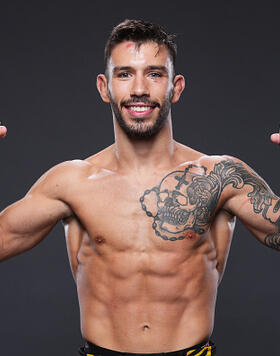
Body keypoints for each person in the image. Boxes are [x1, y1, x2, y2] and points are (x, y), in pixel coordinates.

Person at [0, 19, 279, 356]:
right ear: (104, 87)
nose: (139, 89)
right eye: (124, 74)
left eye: (155, 73)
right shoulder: (71, 182)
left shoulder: (219, 176)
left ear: (176, 87)